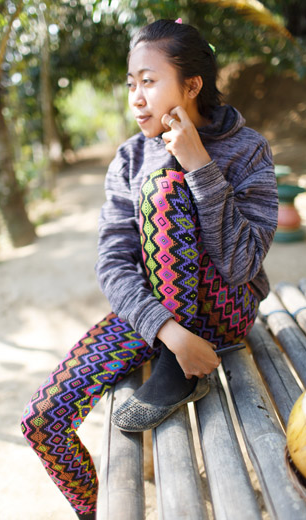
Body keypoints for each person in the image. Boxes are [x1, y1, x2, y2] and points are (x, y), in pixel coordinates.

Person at [20, 19, 277, 520]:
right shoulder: (130, 156)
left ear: (192, 85)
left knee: (163, 189)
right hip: (157, 320)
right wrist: (168, 331)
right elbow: (114, 261)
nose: (136, 98)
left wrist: (199, 165)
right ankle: (92, 513)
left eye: (149, 81)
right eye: (131, 84)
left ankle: (174, 370)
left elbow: (243, 263)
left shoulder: (249, 151)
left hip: (225, 308)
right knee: (43, 421)